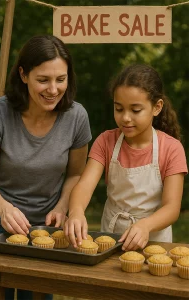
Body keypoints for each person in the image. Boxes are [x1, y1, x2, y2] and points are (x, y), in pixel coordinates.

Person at [0, 35, 91, 300]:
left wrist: (61, 207)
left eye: (61, 79)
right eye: (43, 80)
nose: (54, 89)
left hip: (46, 232)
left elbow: (76, 174)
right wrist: (4, 209)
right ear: (23, 75)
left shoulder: (76, 117)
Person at [65, 64, 188, 252]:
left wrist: (145, 226)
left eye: (135, 110)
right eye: (119, 109)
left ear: (157, 107)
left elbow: (171, 208)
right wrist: (75, 212)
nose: (126, 118)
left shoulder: (171, 148)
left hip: (155, 243)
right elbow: (84, 186)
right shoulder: (106, 141)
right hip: (110, 239)